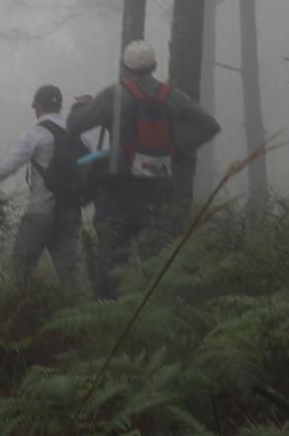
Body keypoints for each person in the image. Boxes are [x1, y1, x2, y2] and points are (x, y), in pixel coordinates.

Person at [66, 40, 220, 298]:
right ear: (155, 66)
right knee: (157, 264)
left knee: (113, 263)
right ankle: (154, 318)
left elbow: (74, 126)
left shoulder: (114, 95)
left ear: (124, 67)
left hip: (118, 194)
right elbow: (210, 125)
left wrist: (81, 106)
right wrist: (177, 149)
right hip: (159, 192)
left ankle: (107, 320)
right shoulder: (172, 95)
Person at [0, 84, 84, 287]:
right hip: (71, 212)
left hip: (41, 211)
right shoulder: (77, 134)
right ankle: (78, 315)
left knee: (21, 267)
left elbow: (9, 166)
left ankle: (24, 312)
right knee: (70, 274)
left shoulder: (35, 134)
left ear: (38, 107)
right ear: (59, 106)